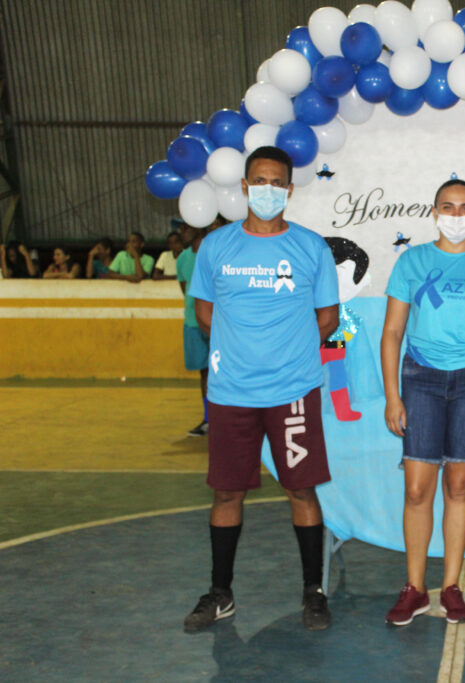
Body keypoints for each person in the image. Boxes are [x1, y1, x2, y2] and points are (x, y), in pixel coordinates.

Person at [183, 146, 340, 633]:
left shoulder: (311, 247)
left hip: (293, 391)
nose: (267, 190)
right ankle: (220, 593)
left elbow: (328, 317)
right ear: (244, 186)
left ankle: (313, 591)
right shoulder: (216, 246)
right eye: (259, 181)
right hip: (232, 394)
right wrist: (242, 349)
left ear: (289, 190)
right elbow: (204, 311)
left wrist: (287, 350)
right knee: (227, 491)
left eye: (276, 182)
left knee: (301, 488)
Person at [380, 179, 465, 626]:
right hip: (420, 379)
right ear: (434, 212)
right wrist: (392, 396)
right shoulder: (412, 262)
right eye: (448, 206)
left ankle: (452, 587)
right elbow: (392, 332)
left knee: (459, 487)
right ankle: (415, 588)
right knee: (416, 490)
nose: (456, 216)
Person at [176, 216, 226, 437]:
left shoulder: (216, 252)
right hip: (193, 322)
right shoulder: (183, 258)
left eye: (186, 226)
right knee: (204, 373)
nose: (182, 231)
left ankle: (226, 416)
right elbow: (185, 289)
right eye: (181, 227)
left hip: (220, 323)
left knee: (223, 371)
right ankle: (208, 419)